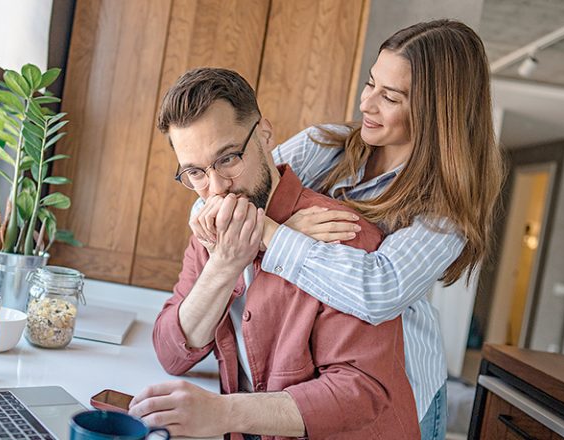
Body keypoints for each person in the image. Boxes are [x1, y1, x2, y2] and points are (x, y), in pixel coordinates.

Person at [190, 19, 504, 440]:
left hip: (396, 389)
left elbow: (377, 291)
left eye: (390, 97)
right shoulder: (326, 144)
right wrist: (275, 222)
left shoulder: (444, 210)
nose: (367, 104)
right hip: (314, 373)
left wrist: (272, 232)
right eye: (371, 83)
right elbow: (225, 192)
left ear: (437, 111)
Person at [129, 68, 420, 439]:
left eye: (229, 158)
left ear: (264, 135)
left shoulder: (343, 235)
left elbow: (358, 391)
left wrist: (223, 413)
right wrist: (225, 263)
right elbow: (172, 352)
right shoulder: (211, 229)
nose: (216, 189)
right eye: (195, 173)